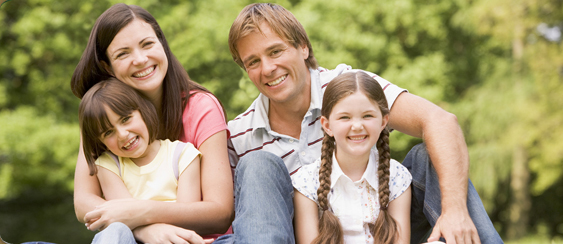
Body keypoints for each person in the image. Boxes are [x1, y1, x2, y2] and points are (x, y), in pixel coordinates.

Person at [227, 3, 503, 244]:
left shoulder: (350, 88)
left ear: (303, 47)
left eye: (275, 51)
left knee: (427, 155)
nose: (267, 68)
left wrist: (454, 209)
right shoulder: (239, 136)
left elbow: (441, 121)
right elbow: (236, 222)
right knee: (257, 165)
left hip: (386, 231)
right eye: (253, 62)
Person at [70, 3, 233, 243]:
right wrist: (144, 230)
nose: (140, 59)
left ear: (162, 45)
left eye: (147, 44)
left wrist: (139, 213)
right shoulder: (102, 115)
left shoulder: (201, 107)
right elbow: (84, 202)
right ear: (108, 67)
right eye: (123, 54)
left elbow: (219, 212)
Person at [78, 79, 213, 244]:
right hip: (130, 240)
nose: (122, 134)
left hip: (174, 240)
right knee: (115, 230)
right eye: (108, 132)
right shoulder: (108, 165)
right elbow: (122, 217)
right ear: (101, 142)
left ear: (143, 111)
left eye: (126, 119)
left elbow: (186, 218)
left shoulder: (183, 155)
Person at [292, 71, 412, 244]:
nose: (357, 126)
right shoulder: (307, 182)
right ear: (327, 126)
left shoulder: (397, 176)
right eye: (345, 117)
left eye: (367, 116)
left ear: (384, 121)